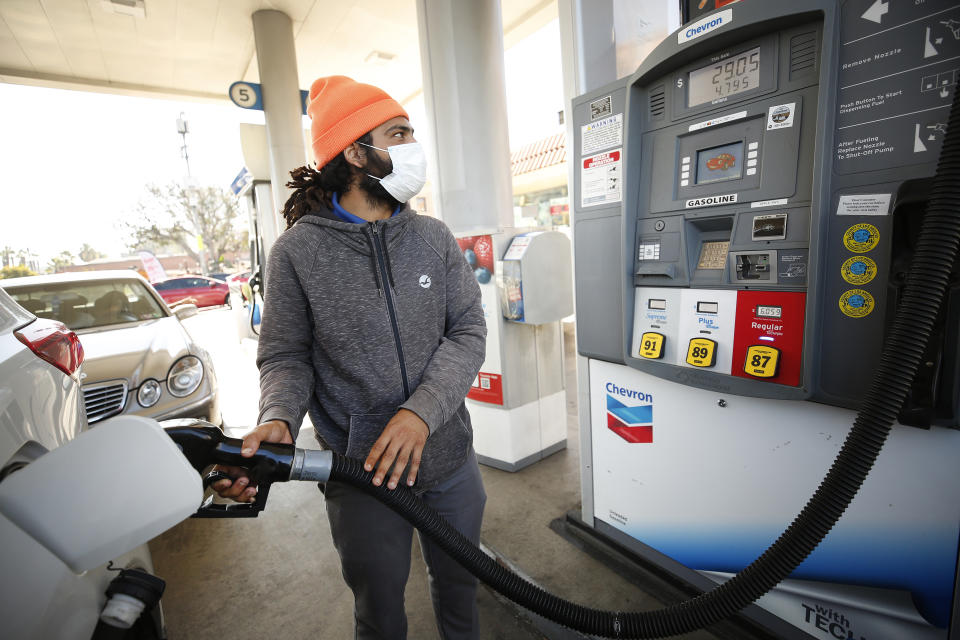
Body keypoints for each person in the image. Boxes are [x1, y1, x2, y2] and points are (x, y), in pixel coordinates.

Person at [213, 75, 488, 640]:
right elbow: (287, 356)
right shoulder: (299, 252)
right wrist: (279, 419)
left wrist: (421, 412)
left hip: (450, 459)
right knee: (380, 612)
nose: (415, 147)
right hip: (360, 474)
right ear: (356, 151)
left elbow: (467, 331)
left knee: (462, 589)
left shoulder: (433, 237)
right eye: (400, 133)